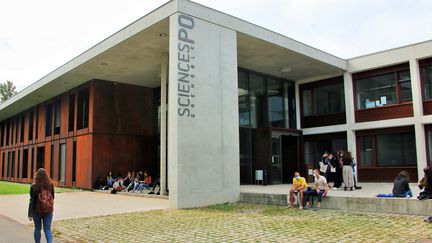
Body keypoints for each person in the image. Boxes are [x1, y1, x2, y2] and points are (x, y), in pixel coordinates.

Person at [28, 168, 55, 243]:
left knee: (37, 229)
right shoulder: (50, 185)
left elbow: (32, 201)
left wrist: (30, 214)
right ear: (46, 176)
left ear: (37, 176)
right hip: (48, 212)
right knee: (48, 229)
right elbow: (53, 197)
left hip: (36, 212)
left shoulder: (33, 186)